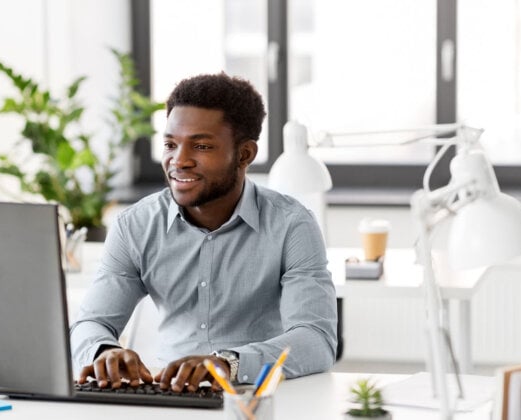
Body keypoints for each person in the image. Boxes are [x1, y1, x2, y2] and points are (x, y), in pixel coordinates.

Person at [70, 72, 337, 393]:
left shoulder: (292, 224)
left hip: (257, 396)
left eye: (201, 146)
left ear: (244, 154)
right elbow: (91, 322)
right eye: (170, 144)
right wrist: (103, 351)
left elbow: (315, 339)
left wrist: (228, 363)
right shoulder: (135, 225)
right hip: (166, 397)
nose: (178, 161)